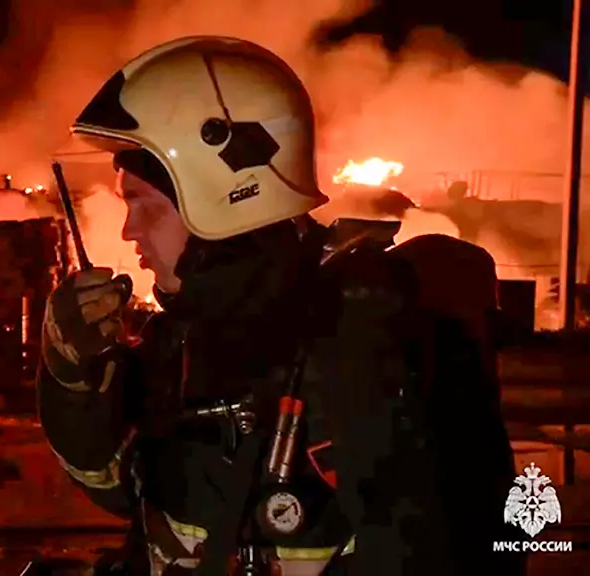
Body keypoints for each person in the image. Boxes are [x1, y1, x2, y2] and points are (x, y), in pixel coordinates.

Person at [36, 36, 521, 575]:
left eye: (143, 205)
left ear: (221, 194)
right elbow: (119, 486)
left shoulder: (370, 350)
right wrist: (74, 377)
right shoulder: (185, 340)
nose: (129, 230)